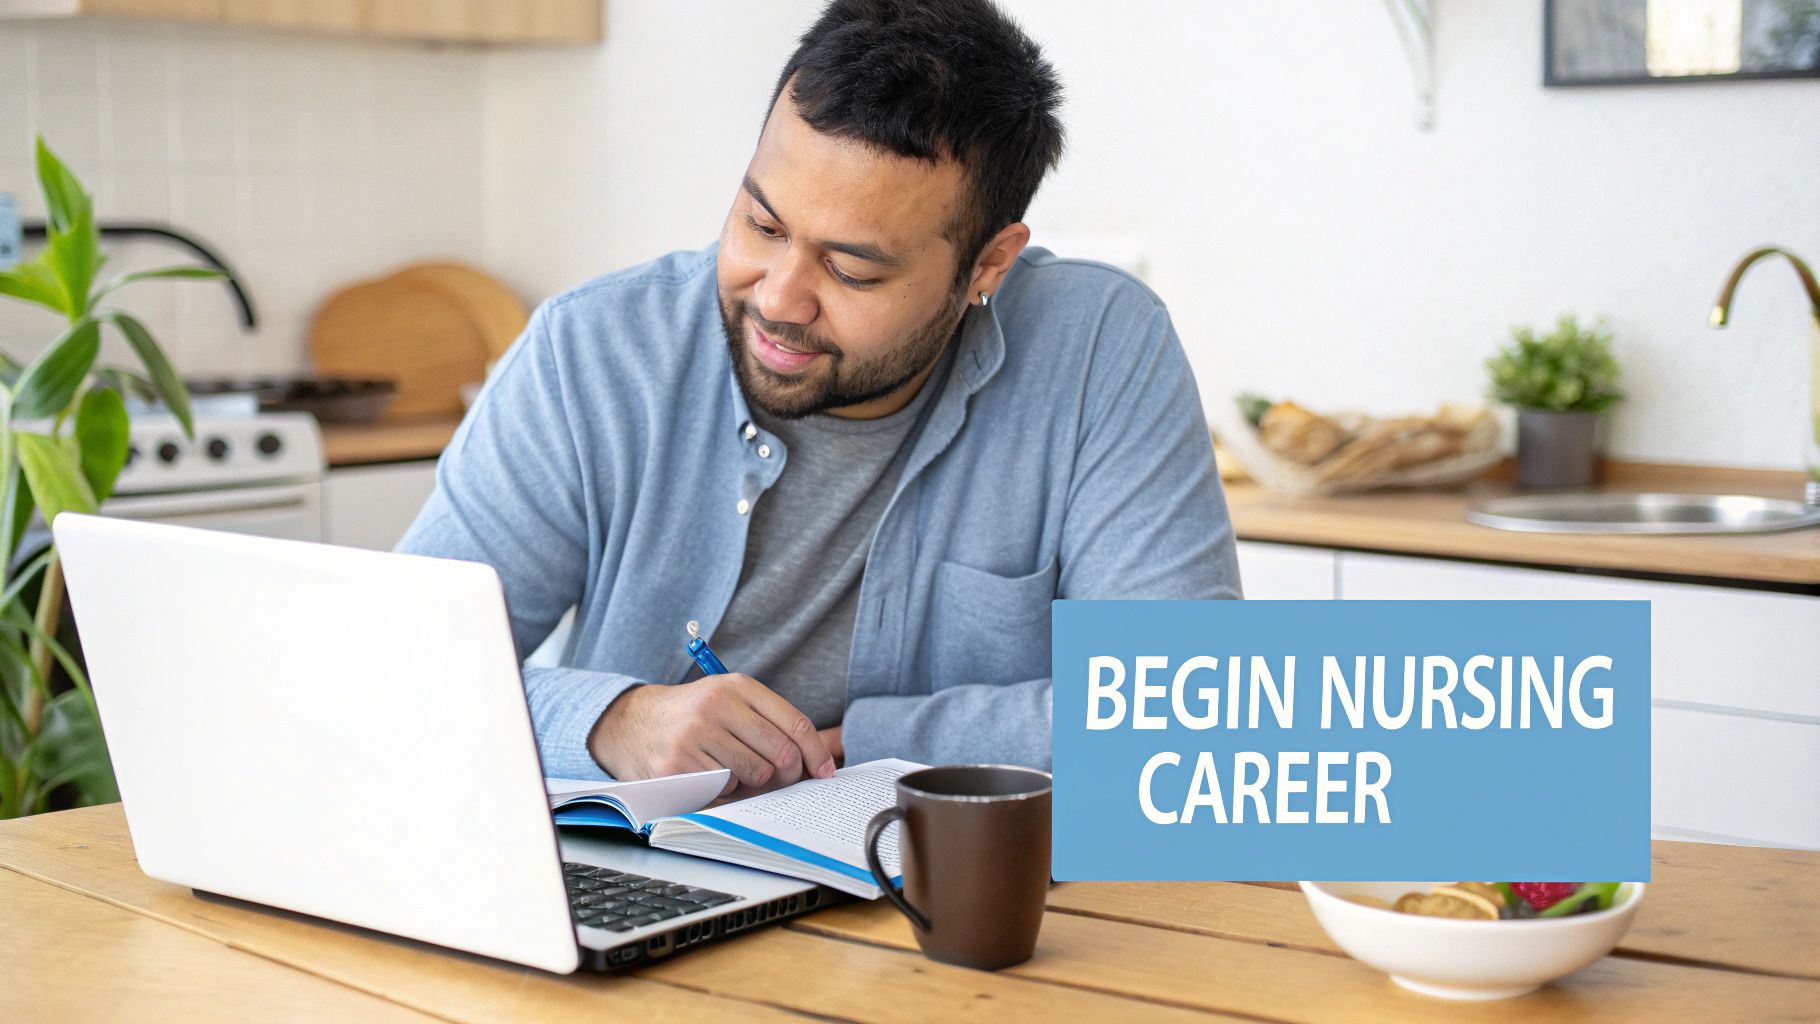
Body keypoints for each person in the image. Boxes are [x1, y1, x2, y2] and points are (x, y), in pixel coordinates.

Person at [398, 0, 1241, 793]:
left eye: (853, 270)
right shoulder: (592, 352)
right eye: (762, 226)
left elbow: (1188, 711)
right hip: (640, 887)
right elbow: (389, 666)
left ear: (987, 264)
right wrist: (610, 722)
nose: (779, 299)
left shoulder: (1097, 346)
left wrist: (875, 744)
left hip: (960, 899)